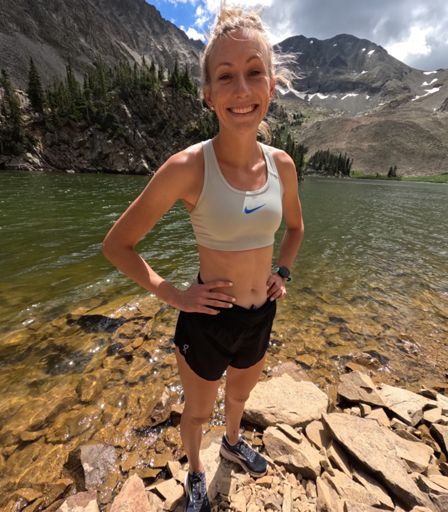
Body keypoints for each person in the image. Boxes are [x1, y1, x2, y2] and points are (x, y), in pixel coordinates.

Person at [102, 6, 304, 512]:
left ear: (271, 85)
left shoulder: (282, 165)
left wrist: (282, 272)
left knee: (238, 399)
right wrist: (175, 295)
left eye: (254, 72)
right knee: (196, 413)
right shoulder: (188, 167)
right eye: (226, 76)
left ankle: (232, 445)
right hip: (207, 320)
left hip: (261, 315)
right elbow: (117, 245)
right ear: (208, 94)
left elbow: (296, 229)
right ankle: (195, 473)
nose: (242, 89)